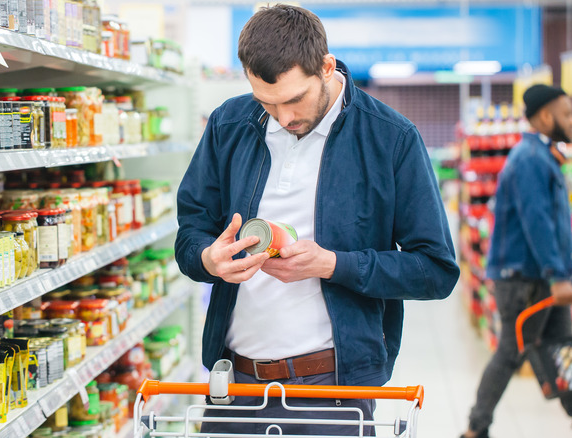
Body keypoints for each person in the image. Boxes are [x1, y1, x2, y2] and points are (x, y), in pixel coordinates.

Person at [174, 5, 459, 436]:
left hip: (333, 392)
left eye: (293, 100)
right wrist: (209, 259)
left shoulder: (390, 139)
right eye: (266, 103)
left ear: (326, 67)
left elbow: (435, 271)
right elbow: (190, 232)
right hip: (235, 386)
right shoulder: (228, 125)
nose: (282, 118)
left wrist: (332, 264)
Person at [461, 85, 572, 438]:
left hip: (541, 278)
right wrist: (558, 274)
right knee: (511, 354)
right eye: (567, 113)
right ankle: (475, 428)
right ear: (545, 116)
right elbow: (537, 220)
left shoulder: (542, 155)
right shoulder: (530, 158)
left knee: (564, 352)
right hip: (524, 281)